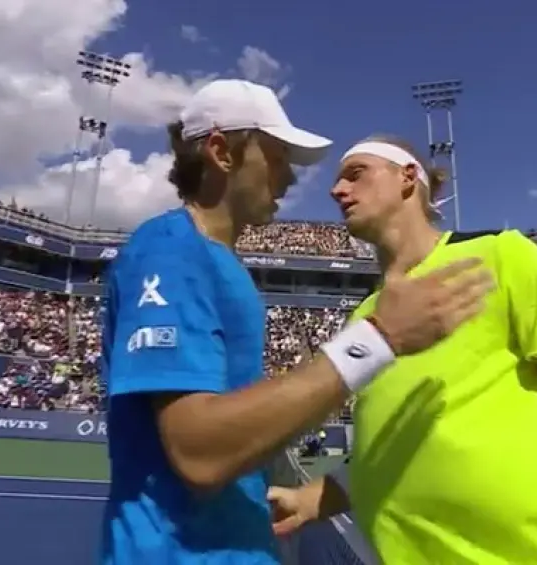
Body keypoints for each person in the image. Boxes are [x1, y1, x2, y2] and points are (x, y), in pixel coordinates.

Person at [99, 81, 495, 564]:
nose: (290, 179)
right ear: (222, 152)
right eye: (277, 157)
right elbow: (198, 450)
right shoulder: (169, 251)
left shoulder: (218, 264)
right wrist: (376, 340)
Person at [268, 135, 537, 565]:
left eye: (355, 174)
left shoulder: (502, 255)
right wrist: (311, 498)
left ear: (408, 177)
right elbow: (384, 454)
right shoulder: (363, 321)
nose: (336, 190)